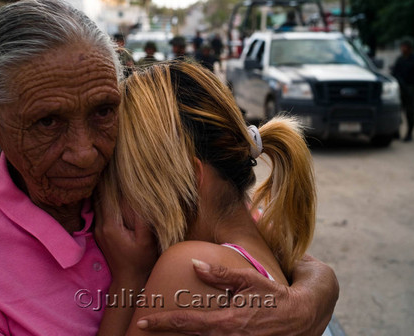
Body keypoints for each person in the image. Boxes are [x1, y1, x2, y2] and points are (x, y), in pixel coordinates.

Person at [0, 0, 338, 335]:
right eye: (48, 121)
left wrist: (312, 295)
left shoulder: (148, 199)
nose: (86, 153)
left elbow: (265, 240)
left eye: (104, 111)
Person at [100, 61, 335, 335]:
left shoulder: (194, 268)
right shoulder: (266, 244)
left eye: (125, 184)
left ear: (188, 177)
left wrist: (128, 278)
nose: (116, 203)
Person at [391, 37, 414, 142]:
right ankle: (396, 131)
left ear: (410, 47)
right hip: (400, 89)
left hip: (410, 89)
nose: (402, 48)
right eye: (402, 46)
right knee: (397, 112)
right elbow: (395, 73)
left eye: (404, 46)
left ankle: (409, 133)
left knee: (410, 113)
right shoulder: (400, 59)